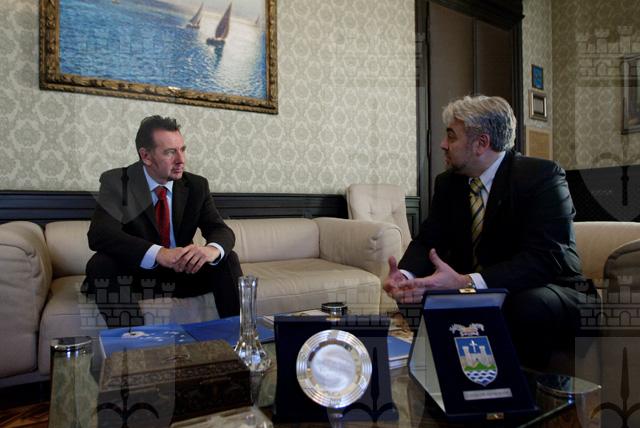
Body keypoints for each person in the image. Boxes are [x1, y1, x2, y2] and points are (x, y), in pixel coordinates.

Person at [383, 95, 592, 367]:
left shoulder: (542, 177)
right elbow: (428, 240)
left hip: (552, 289)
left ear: (481, 143)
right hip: (481, 287)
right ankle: (448, 375)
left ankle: (523, 388)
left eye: (451, 136)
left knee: (525, 304)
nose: (443, 144)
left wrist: (466, 282)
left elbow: (545, 259)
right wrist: (405, 276)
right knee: (414, 295)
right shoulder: (448, 183)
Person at [83, 115, 242, 328]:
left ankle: (241, 337)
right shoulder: (118, 182)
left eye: (182, 149)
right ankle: (134, 343)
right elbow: (100, 234)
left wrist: (210, 251)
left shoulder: (196, 186)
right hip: (136, 276)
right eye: (170, 152)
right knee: (100, 264)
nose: (181, 160)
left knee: (227, 258)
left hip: (184, 273)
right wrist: (159, 253)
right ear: (146, 156)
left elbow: (219, 229)